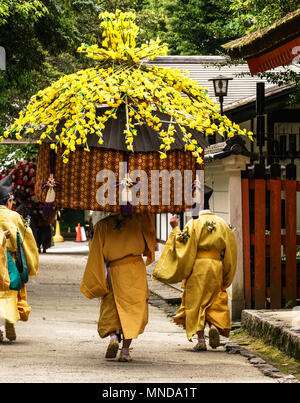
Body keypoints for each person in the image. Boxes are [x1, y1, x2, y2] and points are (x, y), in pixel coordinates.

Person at [152, 185, 237, 351]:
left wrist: (175, 228)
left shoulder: (193, 223)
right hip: (216, 266)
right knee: (214, 298)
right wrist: (227, 273)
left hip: (198, 266)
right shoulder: (222, 224)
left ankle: (201, 340)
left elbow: (184, 247)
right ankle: (213, 327)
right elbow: (231, 251)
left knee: (196, 301)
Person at [80, 212, 156, 362]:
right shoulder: (139, 219)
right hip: (135, 269)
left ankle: (113, 337)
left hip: (113, 269)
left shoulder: (102, 225)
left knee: (111, 305)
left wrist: (98, 277)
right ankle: (125, 351)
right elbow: (150, 241)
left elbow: (96, 253)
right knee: (134, 308)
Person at [0, 175, 39, 342]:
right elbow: (26, 238)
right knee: (11, 291)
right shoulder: (14, 216)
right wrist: (31, 264)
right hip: (10, 261)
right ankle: (8, 321)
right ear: (9, 201)